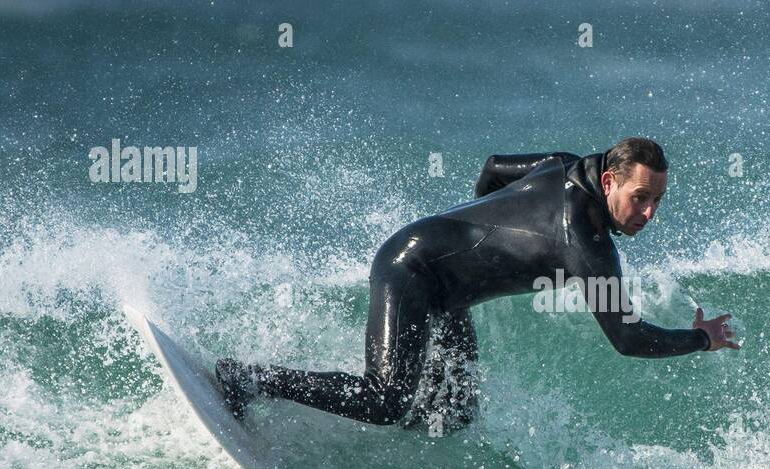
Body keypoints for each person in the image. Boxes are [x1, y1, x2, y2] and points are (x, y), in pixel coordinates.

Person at [215, 136, 738, 431]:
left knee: (454, 411)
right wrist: (701, 339)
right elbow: (628, 339)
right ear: (609, 183)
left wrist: (477, 228)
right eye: (640, 198)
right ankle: (252, 379)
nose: (648, 213)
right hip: (411, 269)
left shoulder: (564, 165)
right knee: (387, 399)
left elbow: (492, 170)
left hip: (444, 286)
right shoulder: (586, 245)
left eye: (656, 202)